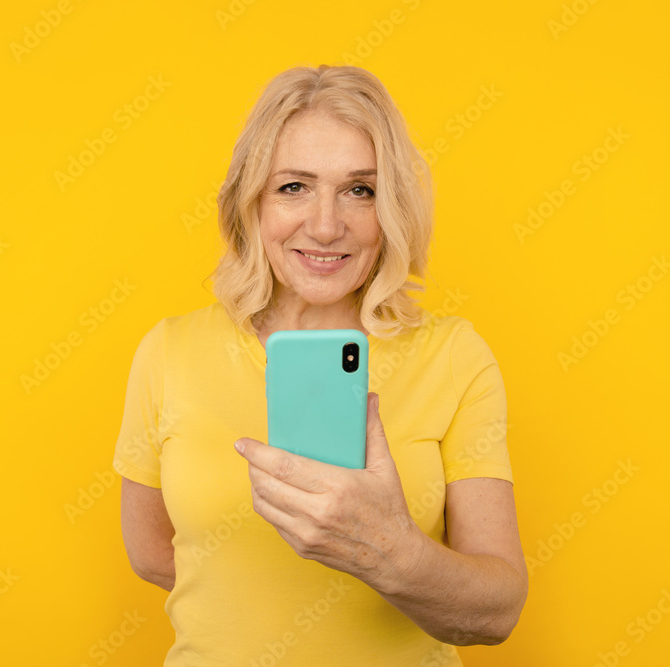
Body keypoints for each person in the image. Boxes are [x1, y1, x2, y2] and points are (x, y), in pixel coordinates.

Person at [112, 64, 527, 666]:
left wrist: (392, 552)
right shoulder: (169, 351)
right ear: (250, 201)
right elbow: (152, 551)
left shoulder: (455, 357)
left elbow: (497, 613)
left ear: (392, 208)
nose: (327, 225)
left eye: (360, 189)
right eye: (293, 187)